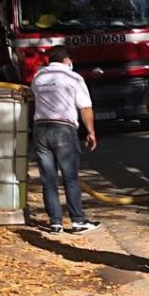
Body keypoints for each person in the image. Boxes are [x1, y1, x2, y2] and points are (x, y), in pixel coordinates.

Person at [30, 46, 101, 234]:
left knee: (48, 179)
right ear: (67, 60)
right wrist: (91, 132)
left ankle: (55, 223)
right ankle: (77, 221)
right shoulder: (74, 78)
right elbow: (85, 108)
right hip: (63, 128)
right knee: (70, 177)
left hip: (40, 129)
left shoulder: (38, 77)